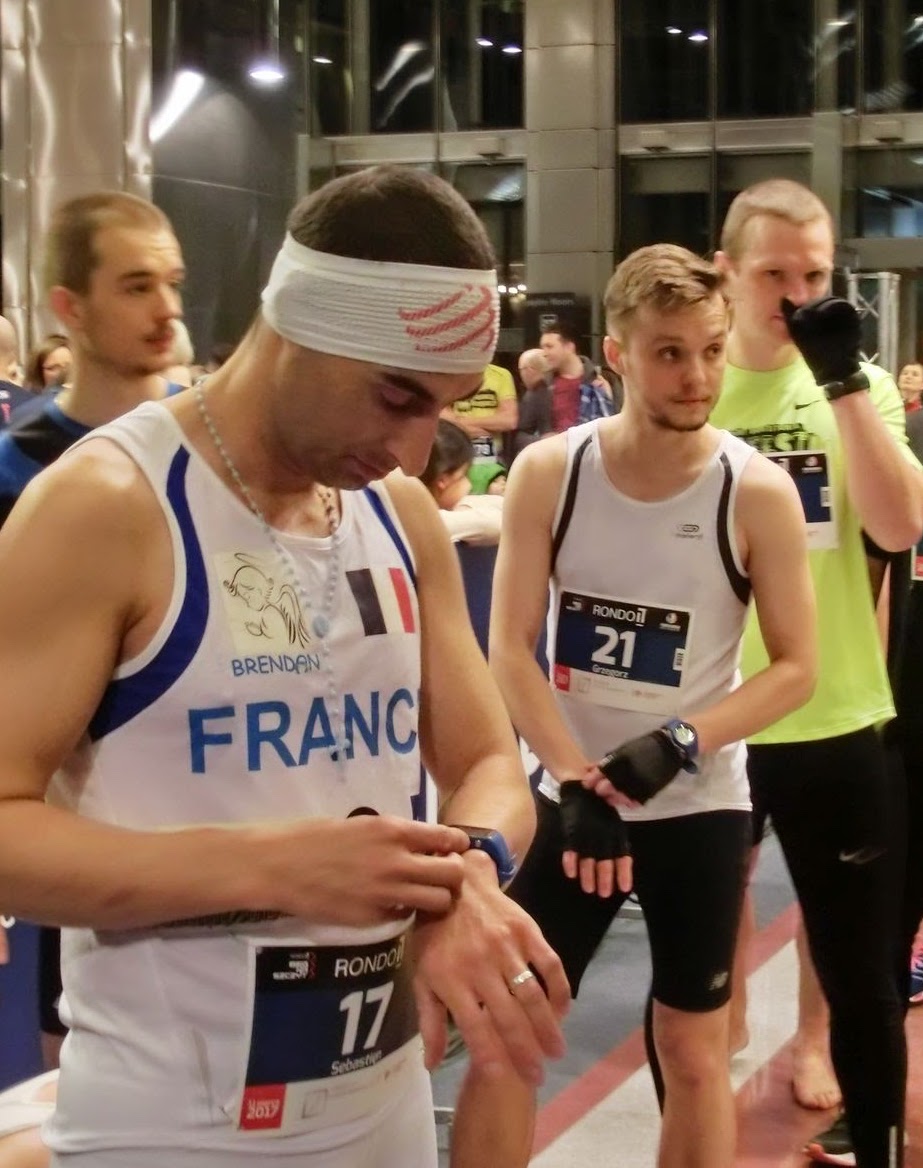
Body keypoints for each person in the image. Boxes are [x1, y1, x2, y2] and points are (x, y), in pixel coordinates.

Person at [0, 164, 570, 1168]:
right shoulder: (106, 506)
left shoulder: (399, 519)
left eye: (438, 410)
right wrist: (277, 869)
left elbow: (488, 762)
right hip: (170, 1133)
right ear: (302, 322)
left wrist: (466, 873)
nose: (410, 451)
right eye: (395, 397)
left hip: (385, 1107)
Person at [450, 243, 816, 1168]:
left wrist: (683, 739)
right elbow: (510, 648)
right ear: (616, 354)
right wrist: (574, 780)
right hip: (570, 805)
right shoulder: (552, 472)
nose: (696, 376)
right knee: (506, 1037)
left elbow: (795, 668)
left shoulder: (755, 491)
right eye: (668, 353)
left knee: (693, 1049)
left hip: (695, 806)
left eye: (710, 350)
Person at [709, 178, 923, 1168]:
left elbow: (898, 526)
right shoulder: (693, 382)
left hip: (832, 708)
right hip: (711, 714)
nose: (794, 295)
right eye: (771, 275)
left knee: (849, 952)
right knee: (698, 947)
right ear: (725, 272)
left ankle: (811, 1040)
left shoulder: (857, 386)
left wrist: (838, 383)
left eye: (814, 274)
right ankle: (711, 1065)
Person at [0, 191, 192, 1074]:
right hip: (72, 819)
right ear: (69, 307)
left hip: (213, 799)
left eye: (173, 283)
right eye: (137, 286)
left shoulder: (214, 445)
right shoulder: (19, 469)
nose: (166, 310)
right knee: (74, 1059)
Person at [419, 419, 502, 546]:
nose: (469, 485)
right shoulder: (423, 522)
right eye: (463, 475)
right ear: (442, 481)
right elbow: (495, 524)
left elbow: (502, 504)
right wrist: (464, 509)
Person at [440, 361, 517, 494]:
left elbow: (509, 420)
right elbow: (441, 415)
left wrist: (461, 423)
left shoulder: (501, 375)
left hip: (493, 458)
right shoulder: (449, 373)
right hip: (457, 455)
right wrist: (486, 427)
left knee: (496, 494)